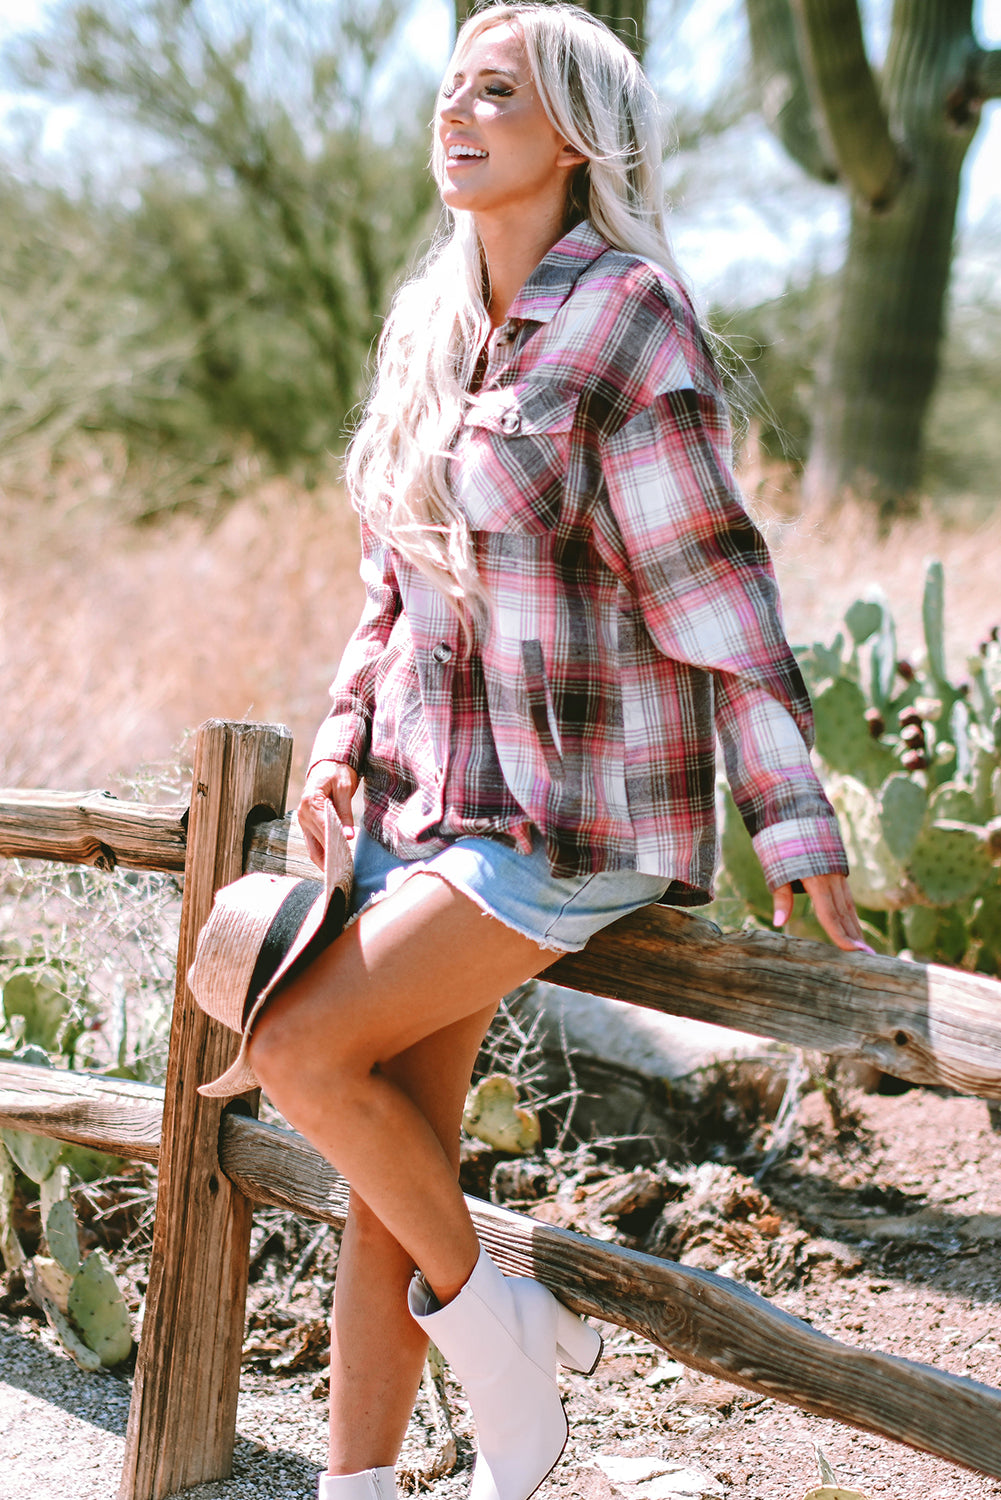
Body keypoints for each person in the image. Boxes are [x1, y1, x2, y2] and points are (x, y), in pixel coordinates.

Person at [243, 6, 869, 1498]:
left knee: (296, 1048)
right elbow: (391, 577)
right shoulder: (430, 322)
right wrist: (340, 735)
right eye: (448, 88)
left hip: (568, 824)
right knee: (391, 1166)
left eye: (498, 94)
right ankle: (372, 1481)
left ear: (577, 137)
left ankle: (505, 1322)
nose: (456, 113)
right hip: (423, 795)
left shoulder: (628, 313)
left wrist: (793, 822)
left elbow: (719, 599)